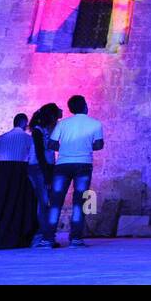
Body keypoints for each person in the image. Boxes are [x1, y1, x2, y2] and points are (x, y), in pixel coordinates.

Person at [38, 95, 103, 248]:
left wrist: (67, 149)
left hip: (63, 164)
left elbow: (51, 144)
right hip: (83, 164)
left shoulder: (63, 124)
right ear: (85, 106)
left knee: (55, 202)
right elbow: (99, 145)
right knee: (80, 202)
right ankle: (75, 239)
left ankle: (48, 239)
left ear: (71, 109)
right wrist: (84, 148)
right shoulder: (95, 124)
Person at [27, 103, 61, 246]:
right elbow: (40, 154)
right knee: (44, 203)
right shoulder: (37, 130)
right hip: (39, 168)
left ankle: (47, 234)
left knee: (48, 202)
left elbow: (51, 148)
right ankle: (43, 235)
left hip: (47, 167)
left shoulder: (47, 130)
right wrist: (47, 174)